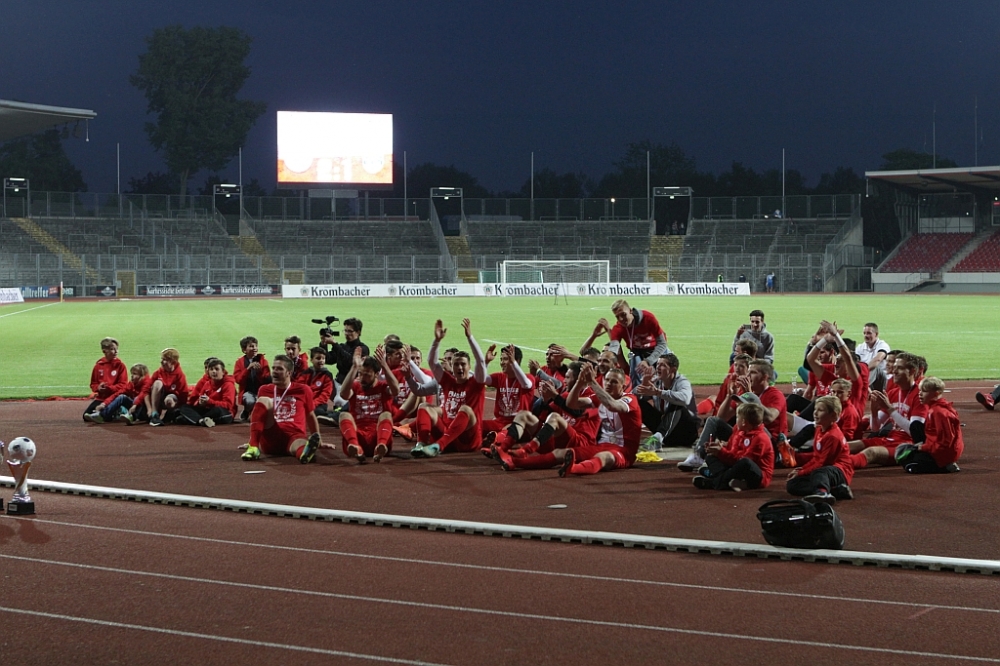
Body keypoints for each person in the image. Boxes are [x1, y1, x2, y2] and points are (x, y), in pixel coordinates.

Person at [679, 360, 788, 471]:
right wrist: (729, 395)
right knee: (713, 421)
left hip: (768, 443)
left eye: (753, 373)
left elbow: (769, 418)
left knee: (756, 427)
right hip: (745, 437)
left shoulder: (775, 395)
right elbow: (722, 417)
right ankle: (699, 455)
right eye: (748, 372)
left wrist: (751, 395)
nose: (748, 376)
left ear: (765, 377)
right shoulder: (743, 393)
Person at [412, 319, 486, 457]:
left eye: (463, 364)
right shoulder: (448, 381)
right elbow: (432, 362)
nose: (459, 367)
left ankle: (438, 446)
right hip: (447, 435)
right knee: (424, 406)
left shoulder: (476, 383)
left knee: (465, 409)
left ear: (469, 367)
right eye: (456, 364)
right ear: (451, 367)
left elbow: (481, 362)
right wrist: (437, 341)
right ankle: (421, 444)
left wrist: (469, 337)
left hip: (468, 440)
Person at [240, 354, 328, 463]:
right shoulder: (264, 390)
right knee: (263, 400)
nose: (274, 372)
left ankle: (304, 454)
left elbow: (310, 415)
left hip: (294, 436)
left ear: (289, 373)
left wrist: (319, 440)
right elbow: (259, 417)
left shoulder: (303, 390)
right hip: (271, 435)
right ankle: (253, 446)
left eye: (279, 369)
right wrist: (253, 438)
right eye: (273, 368)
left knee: (301, 444)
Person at [848, 352, 926, 469]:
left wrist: (890, 410)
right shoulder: (893, 393)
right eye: (894, 367)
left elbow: (914, 432)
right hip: (890, 438)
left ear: (912, 371)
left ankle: (839, 467)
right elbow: (875, 428)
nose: (894, 371)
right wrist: (874, 412)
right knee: (846, 446)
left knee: (871, 453)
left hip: (908, 445)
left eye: (899, 368)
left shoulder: (919, 396)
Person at [786, 395, 854, 504]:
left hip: (839, 471)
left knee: (820, 472)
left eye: (820, 410)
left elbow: (823, 463)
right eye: (815, 409)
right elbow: (816, 458)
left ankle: (822, 493)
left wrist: (802, 472)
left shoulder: (833, 436)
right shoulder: (819, 429)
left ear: (833, 415)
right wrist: (801, 470)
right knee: (792, 484)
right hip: (822, 470)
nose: (815, 413)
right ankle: (836, 490)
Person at [693, 403, 774, 492]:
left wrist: (721, 452)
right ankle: (728, 480)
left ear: (743, 422)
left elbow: (742, 460)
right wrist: (720, 447)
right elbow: (732, 451)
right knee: (710, 455)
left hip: (757, 475)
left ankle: (714, 482)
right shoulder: (738, 431)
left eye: (737, 417)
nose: (736, 420)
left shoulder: (760, 439)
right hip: (735, 467)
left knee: (745, 463)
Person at [337, 346, 399, 463]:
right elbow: (343, 394)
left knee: (386, 414)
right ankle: (356, 447)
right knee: (344, 415)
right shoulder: (355, 386)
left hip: (379, 435)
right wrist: (354, 367)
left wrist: (384, 366)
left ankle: (380, 447)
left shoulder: (383, 387)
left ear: (376, 374)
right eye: (360, 374)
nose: (362, 378)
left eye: (367, 375)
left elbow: (396, 390)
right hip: (357, 435)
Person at [894, 377, 963, 474]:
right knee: (915, 427)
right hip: (938, 449)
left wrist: (923, 447)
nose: (920, 394)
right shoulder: (935, 409)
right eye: (920, 391)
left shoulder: (939, 412)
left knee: (908, 461)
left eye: (924, 391)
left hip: (943, 454)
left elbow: (945, 443)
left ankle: (944, 466)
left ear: (936, 393)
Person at [633, 353, 698, 451]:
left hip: (686, 433)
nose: (658, 367)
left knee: (676, 403)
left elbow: (685, 399)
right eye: (658, 364)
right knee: (639, 404)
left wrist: (658, 392)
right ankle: (653, 437)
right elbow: (632, 398)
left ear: (673, 370)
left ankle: (658, 438)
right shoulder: (655, 380)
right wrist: (643, 385)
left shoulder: (682, 381)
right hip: (666, 433)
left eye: (663, 365)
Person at [599, 299, 670, 386]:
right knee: (634, 372)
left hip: (656, 347)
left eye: (623, 314)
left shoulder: (648, 318)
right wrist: (604, 360)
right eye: (617, 317)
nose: (621, 319)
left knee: (667, 370)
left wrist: (648, 361)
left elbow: (662, 343)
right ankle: (637, 393)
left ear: (630, 311)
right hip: (636, 351)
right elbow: (614, 349)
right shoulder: (618, 328)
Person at [478, 343, 535, 450]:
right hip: (499, 422)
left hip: (519, 425)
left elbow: (526, 384)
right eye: (501, 359)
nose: (502, 362)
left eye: (505, 359)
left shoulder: (528, 378)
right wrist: (486, 362)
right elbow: (481, 379)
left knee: (507, 431)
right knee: (476, 426)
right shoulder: (500, 377)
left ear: (516, 360)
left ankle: (496, 443)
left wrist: (513, 363)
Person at [132, 347, 189, 427]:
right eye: (162, 359)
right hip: (157, 400)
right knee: (157, 383)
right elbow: (145, 390)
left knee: (169, 400)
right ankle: (154, 414)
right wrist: (145, 407)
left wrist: (178, 408)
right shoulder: (158, 373)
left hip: (170, 401)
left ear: (173, 362)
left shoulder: (180, 376)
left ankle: (169, 414)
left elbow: (183, 394)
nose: (161, 361)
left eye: (164, 359)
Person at [321, 318, 370, 404]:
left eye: (350, 331)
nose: (347, 334)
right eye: (345, 331)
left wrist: (335, 344)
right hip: (337, 383)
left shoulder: (363, 349)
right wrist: (323, 344)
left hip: (351, 386)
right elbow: (328, 359)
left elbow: (349, 362)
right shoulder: (342, 346)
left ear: (358, 332)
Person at [175, 359, 237, 427]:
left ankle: (193, 419)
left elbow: (228, 405)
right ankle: (201, 420)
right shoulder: (207, 384)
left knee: (218, 410)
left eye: (217, 369)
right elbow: (197, 400)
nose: (214, 371)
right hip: (208, 410)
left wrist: (210, 402)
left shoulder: (228, 385)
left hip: (224, 412)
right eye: (211, 369)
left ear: (223, 372)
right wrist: (200, 403)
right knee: (184, 407)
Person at [85, 364, 150, 424]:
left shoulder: (147, 382)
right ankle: (102, 415)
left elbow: (142, 395)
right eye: (132, 373)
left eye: (135, 374)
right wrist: (104, 404)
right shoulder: (132, 384)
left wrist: (135, 405)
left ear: (142, 375)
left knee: (138, 398)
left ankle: (131, 416)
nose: (132, 376)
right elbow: (118, 393)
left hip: (145, 412)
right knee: (121, 397)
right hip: (134, 408)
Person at [84, 337, 128, 420]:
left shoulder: (120, 366)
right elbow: (93, 384)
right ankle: (111, 412)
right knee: (85, 416)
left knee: (105, 416)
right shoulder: (98, 366)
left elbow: (123, 385)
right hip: (101, 398)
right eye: (112, 349)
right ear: (104, 351)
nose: (116, 352)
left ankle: (119, 409)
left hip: (114, 397)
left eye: (116, 349)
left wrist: (109, 388)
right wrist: (98, 388)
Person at [233, 335, 270, 422]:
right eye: (251, 346)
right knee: (250, 401)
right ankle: (247, 410)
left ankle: (255, 413)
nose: (254, 348)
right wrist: (248, 369)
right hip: (247, 392)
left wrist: (259, 372)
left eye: (256, 346)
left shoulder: (263, 361)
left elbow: (267, 379)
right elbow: (238, 380)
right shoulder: (239, 362)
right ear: (244, 350)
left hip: (261, 392)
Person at [304, 347, 336, 424]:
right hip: (306, 402)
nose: (321, 360)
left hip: (320, 403)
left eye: (323, 358)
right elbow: (300, 389)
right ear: (311, 360)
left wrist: (313, 404)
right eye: (318, 358)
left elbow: (325, 394)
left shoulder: (327, 375)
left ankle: (331, 417)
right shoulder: (305, 373)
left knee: (317, 411)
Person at [857, 323, 890, 391]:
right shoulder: (860, 347)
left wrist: (863, 372)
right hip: (867, 377)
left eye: (869, 333)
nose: (866, 336)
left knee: (875, 368)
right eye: (864, 333)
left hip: (881, 379)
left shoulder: (883, 345)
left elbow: (877, 360)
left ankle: (861, 386)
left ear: (876, 334)